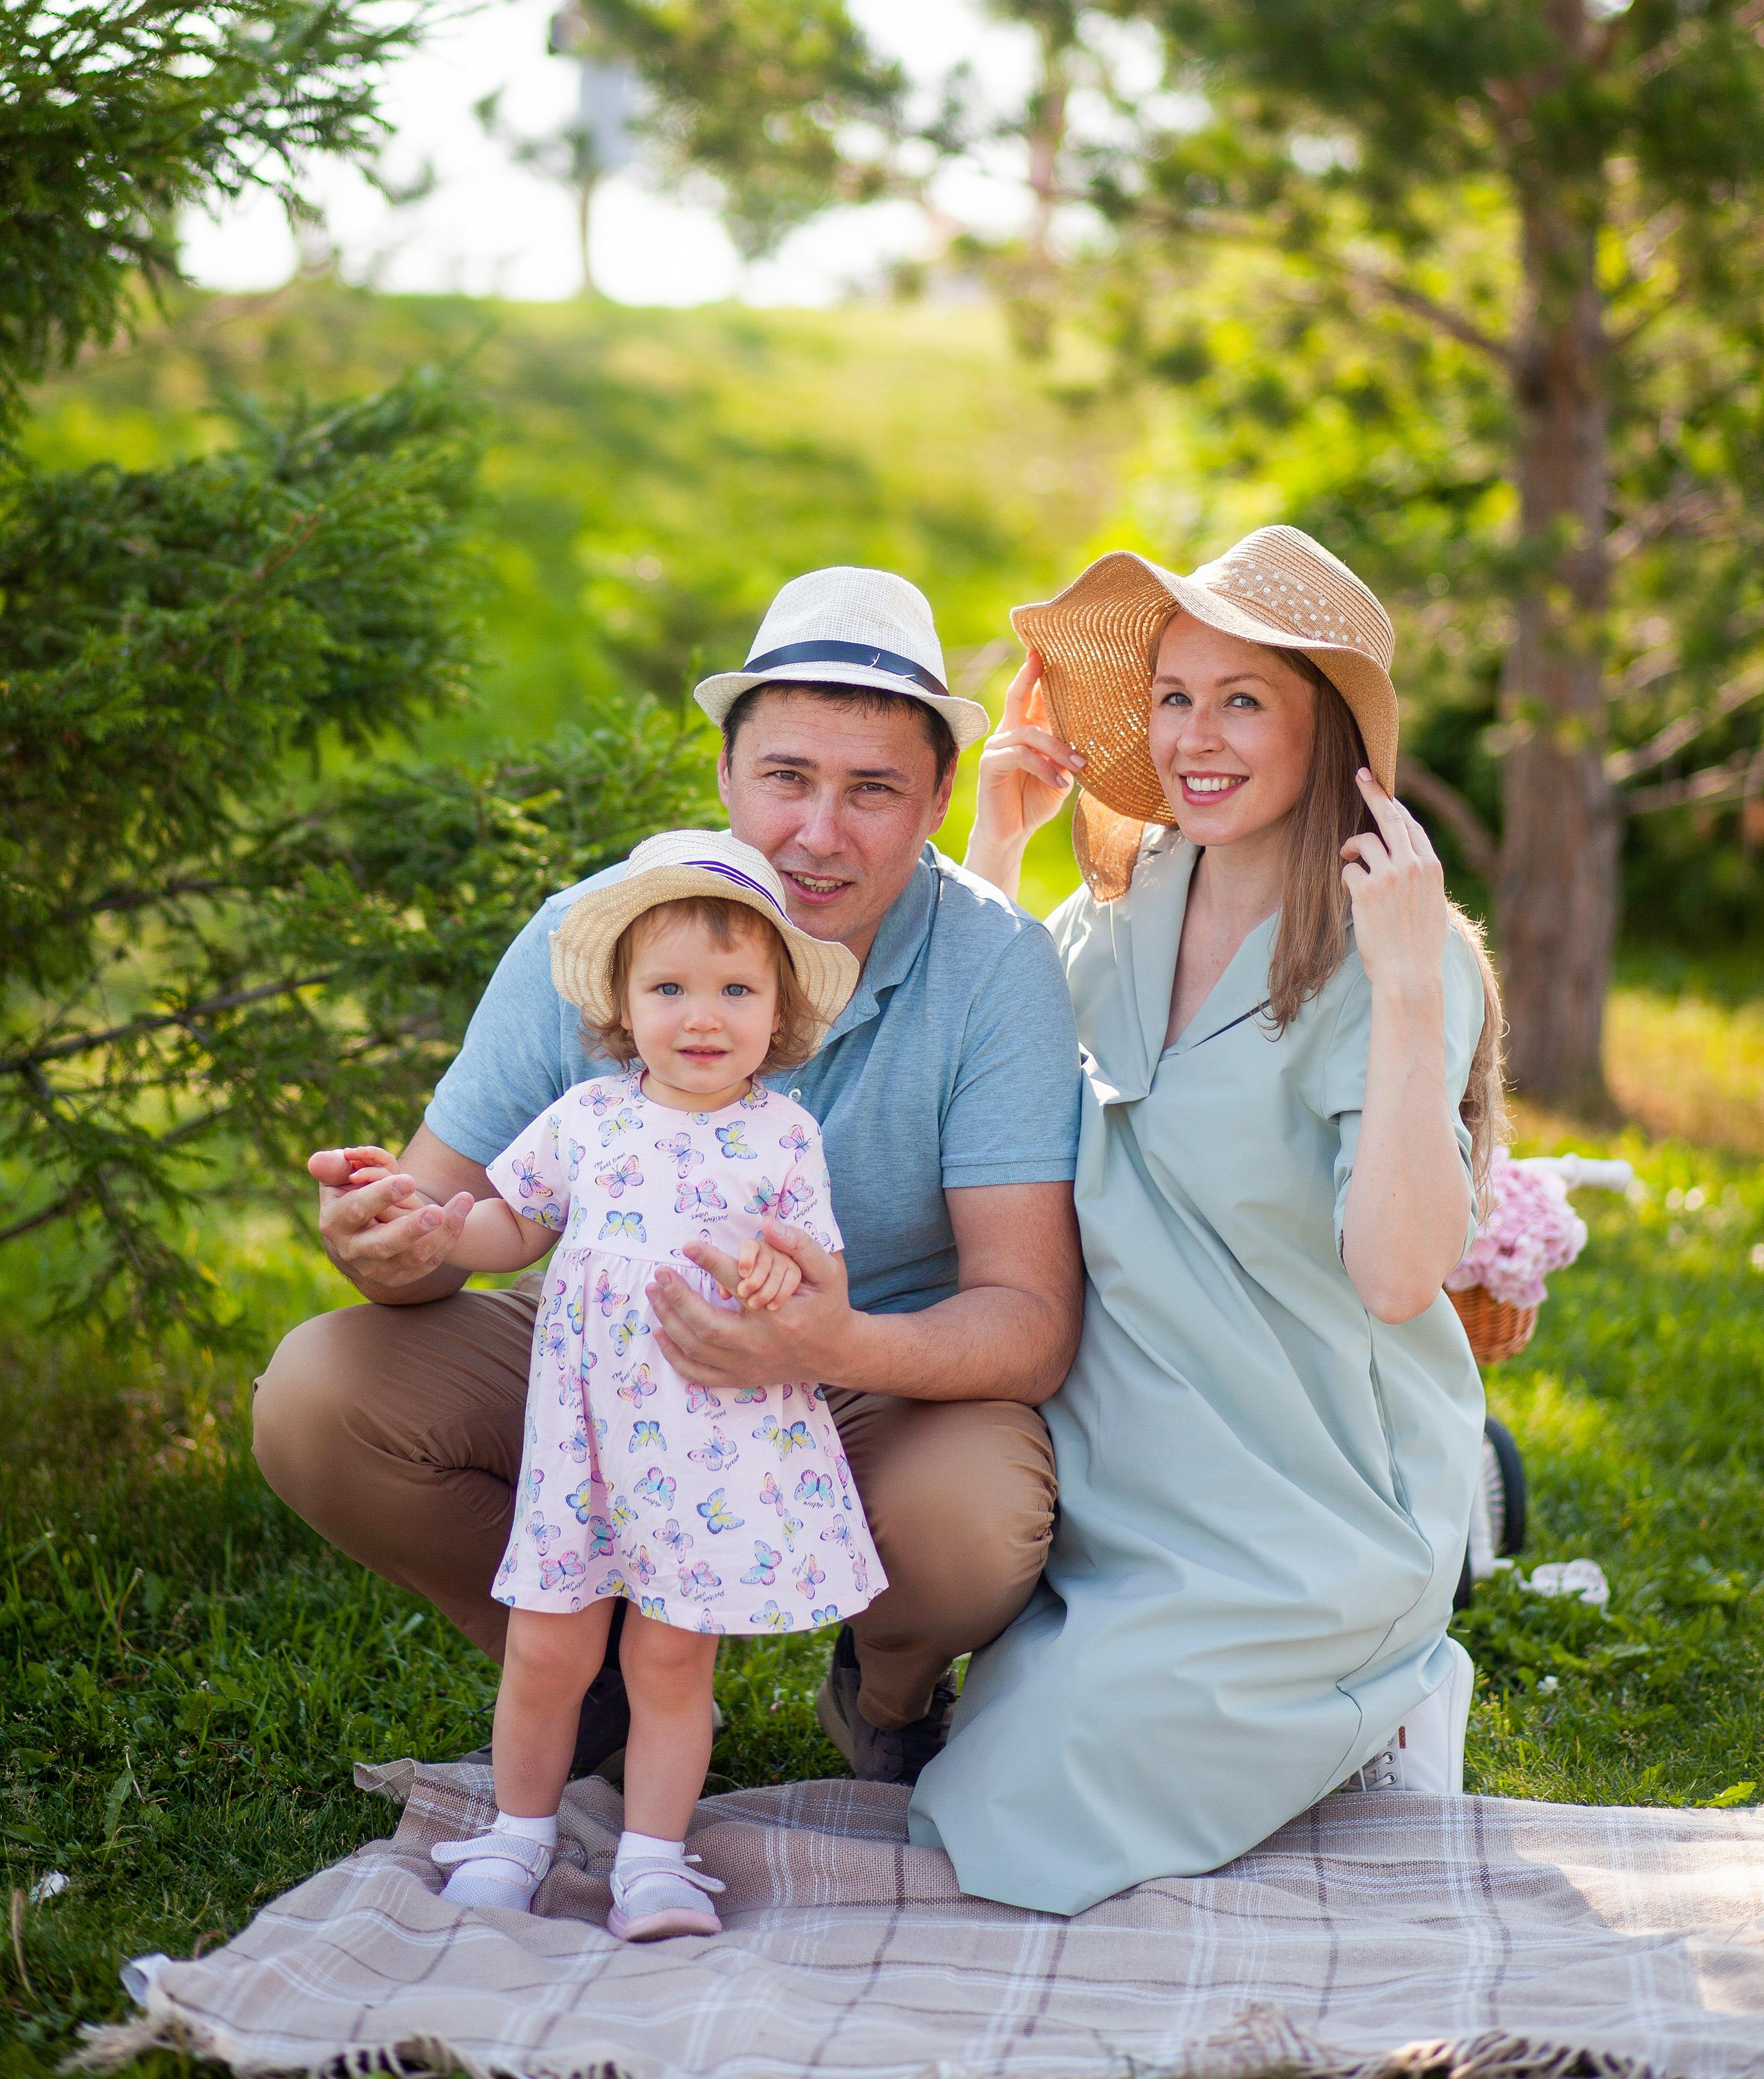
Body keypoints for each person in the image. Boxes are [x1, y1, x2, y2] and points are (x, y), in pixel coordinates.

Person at [252, 567, 1084, 1787]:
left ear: (938, 800)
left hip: (875, 1372)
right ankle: (583, 1677)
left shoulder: (993, 966)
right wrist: (383, 1240)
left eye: (874, 792)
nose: (819, 833)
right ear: (726, 777)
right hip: (601, 1337)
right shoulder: (591, 932)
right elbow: (436, 1218)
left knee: (969, 1530)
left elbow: (1030, 1323)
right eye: (787, 779)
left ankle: (887, 1694)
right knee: (319, 1395)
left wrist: (819, 1345)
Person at [907, 526, 1501, 1914]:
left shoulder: (1391, 954)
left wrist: (1412, 991)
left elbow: (1403, 1273)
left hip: (1312, 1499)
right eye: (1172, 696)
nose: (1194, 736)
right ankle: (1277, 1708)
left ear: (1328, 733)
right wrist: (996, 837)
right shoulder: (1108, 918)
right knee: (960, 1803)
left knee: (1021, 1828)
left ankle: (1399, 1681)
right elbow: (971, 1108)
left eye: (1242, 699)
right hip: (1124, 1489)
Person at [366, 831, 885, 1940]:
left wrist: (774, 1262)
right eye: (670, 988)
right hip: (582, 1440)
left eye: (736, 989)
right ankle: (518, 1834)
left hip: (704, 1447)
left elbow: (823, 1270)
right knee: (550, 1642)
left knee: (667, 1653)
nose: (704, 1017)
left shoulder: (783, 1137)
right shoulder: (591, 1118)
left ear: (781, 1012)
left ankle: (652, 1859)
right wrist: (451, 1224)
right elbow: (516, 1223)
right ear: (622, 1003)